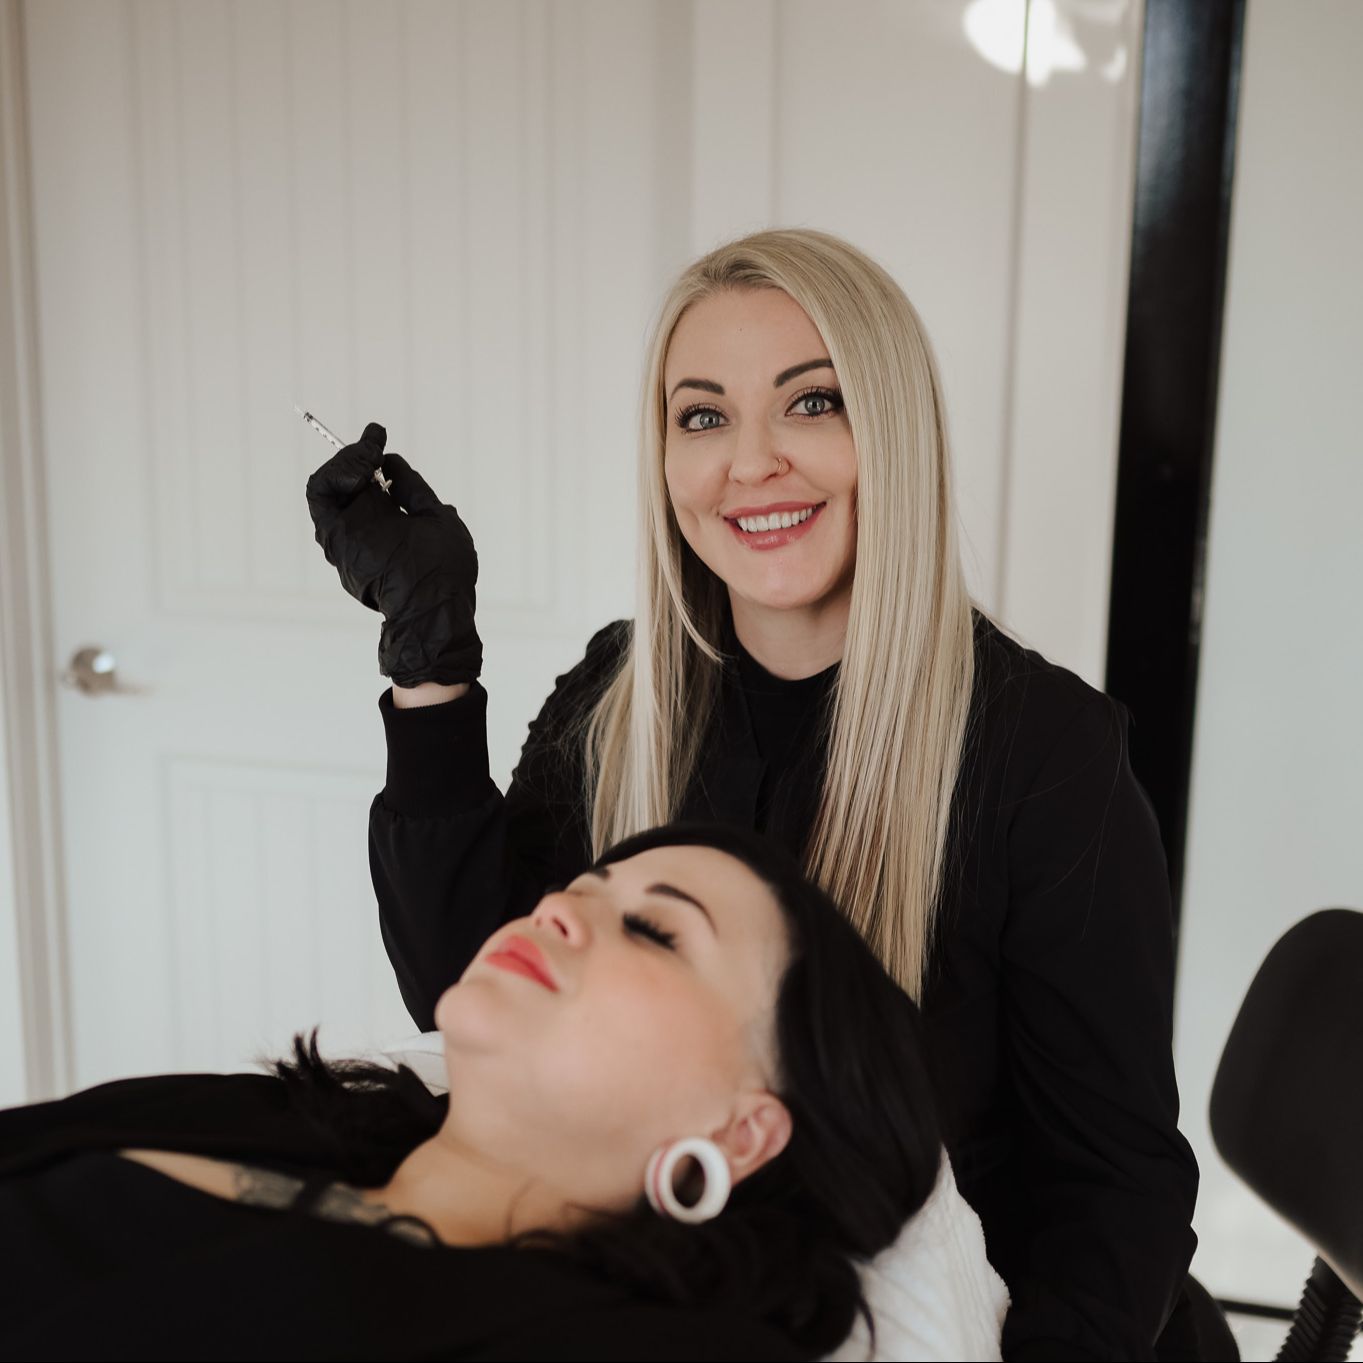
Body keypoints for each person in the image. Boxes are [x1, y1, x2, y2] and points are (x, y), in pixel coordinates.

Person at [306, 228, 1202, 1359]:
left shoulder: (1046, 751)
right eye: (703, 416)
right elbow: (460, 987)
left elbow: (1116, 1189)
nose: (751, 462)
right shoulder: (616, 693)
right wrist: (429, 660)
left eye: (811, 403)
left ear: (892, 432)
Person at [0, 823, 943, 1361]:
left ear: (742, 1132)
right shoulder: (263, 1113)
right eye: (579, 887)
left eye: (656, 931)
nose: (557, 907)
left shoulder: (653, 1346)